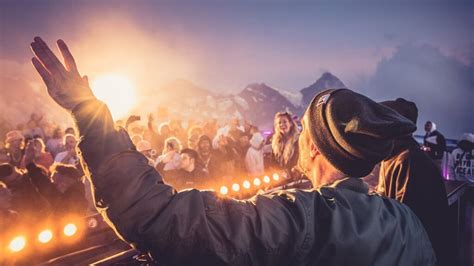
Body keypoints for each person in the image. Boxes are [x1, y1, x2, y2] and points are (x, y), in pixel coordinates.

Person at [31, 37, 436, 265]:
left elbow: (157, 217)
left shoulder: (303, 218)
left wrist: (86, 110)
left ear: (312, 145)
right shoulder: (407, 224)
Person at [378, 98, 455, 266]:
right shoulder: (397, 155)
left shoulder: (408, 160)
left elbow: (404, 223)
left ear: (395, 126)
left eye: (381, 121)